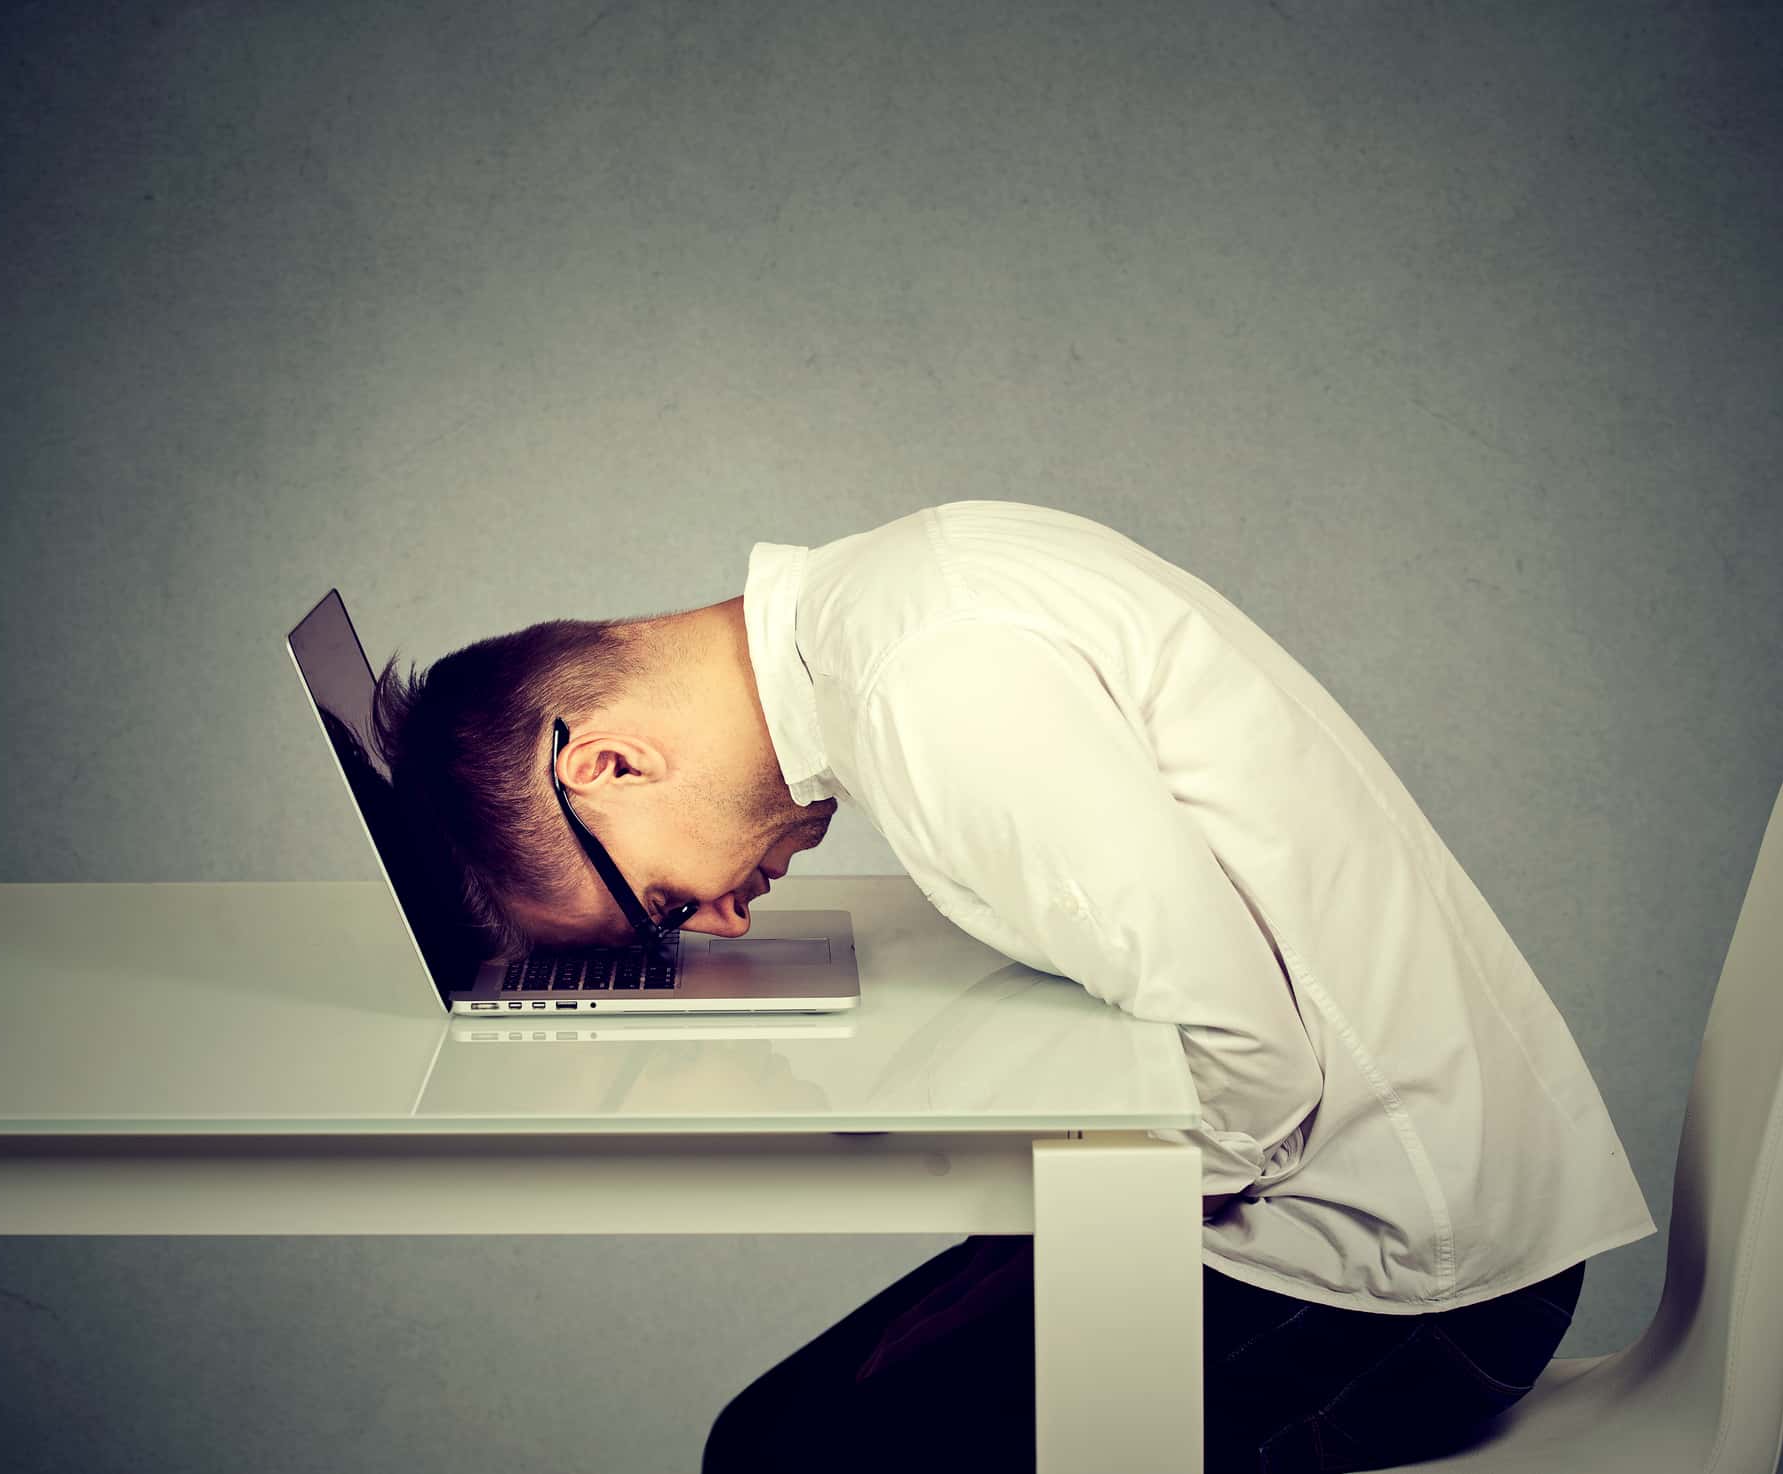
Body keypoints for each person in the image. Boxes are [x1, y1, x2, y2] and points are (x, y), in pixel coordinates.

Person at [370, 500, 1655, 1473]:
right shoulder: (888, 607)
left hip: (1398, 1270)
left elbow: (1250, 1071)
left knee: (794, 1460)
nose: (711, 922)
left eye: (654, 908)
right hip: (1329, 1201)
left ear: (603, 762)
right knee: (770, 1439)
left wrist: (942, 1153)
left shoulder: (933, 683)